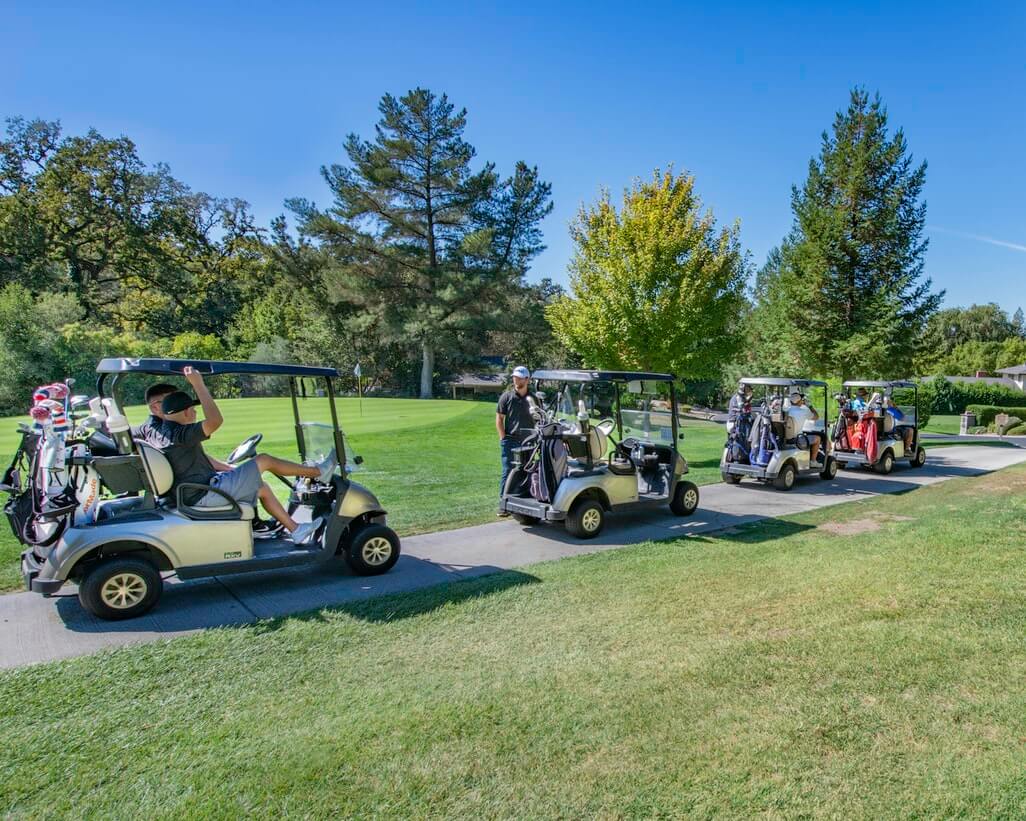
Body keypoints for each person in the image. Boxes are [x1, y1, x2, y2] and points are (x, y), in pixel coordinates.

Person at [157, 367, 334, 544]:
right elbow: (215, 421)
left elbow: (199, 459)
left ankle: (296, 530)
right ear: (187, 412)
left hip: (198, 490)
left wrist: (228, 468)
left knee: (261, 487)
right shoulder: (181, 435)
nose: (196, 413)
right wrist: (198, 384)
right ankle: (318, 472)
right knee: (264, 460)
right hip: (203, 495)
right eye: (194, 409)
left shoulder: (166, 432)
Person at [495, 365, 536, 514]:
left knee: (528, 470)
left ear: (527, 380)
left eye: (519, 378)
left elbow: (539, 418)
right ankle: (503, 504)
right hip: (511, 441)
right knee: (508, 471)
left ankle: (523, 502)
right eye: (514, 377)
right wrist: (503, 438)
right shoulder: (506, 397)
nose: (516, 380)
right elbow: (499, 419)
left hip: (529, 442)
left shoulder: (534, 399)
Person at [787, 390, 822, 463]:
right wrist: (810, 406)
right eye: (801, 400)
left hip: (786, 439)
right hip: (798, 440)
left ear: (791, 402)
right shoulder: (804, 411)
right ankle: (813, 461)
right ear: (799, 401)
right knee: (818, 438)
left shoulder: (786, 411)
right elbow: (816, 417)